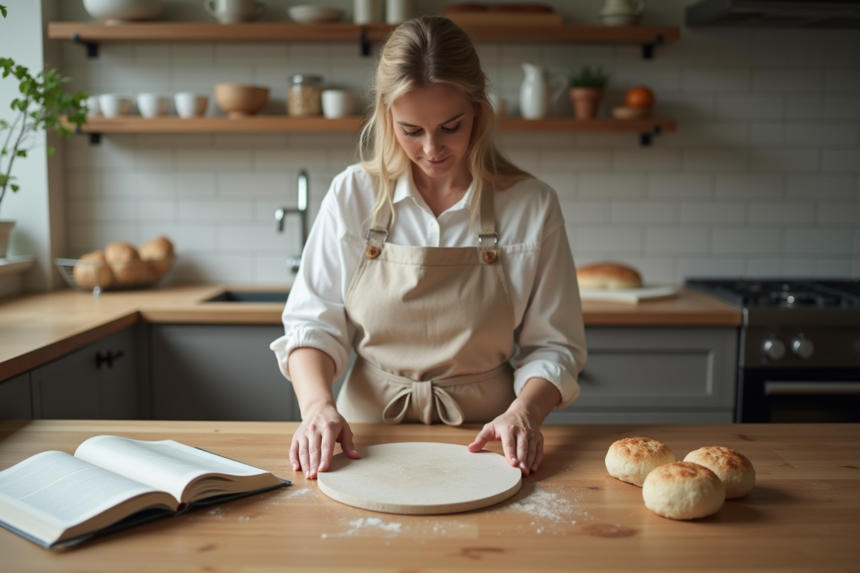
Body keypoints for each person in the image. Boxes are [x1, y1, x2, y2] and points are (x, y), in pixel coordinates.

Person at [270, 15, 586, 481]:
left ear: (478, 110)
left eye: (451, 127)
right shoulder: (352, 194)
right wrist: (317, 407)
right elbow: (312, 325)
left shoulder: (531, 205)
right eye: (411, 130)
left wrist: (524, 414)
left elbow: (554, 346)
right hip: (363, 438)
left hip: (489, 441)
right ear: (385, 115)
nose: (433, 148)